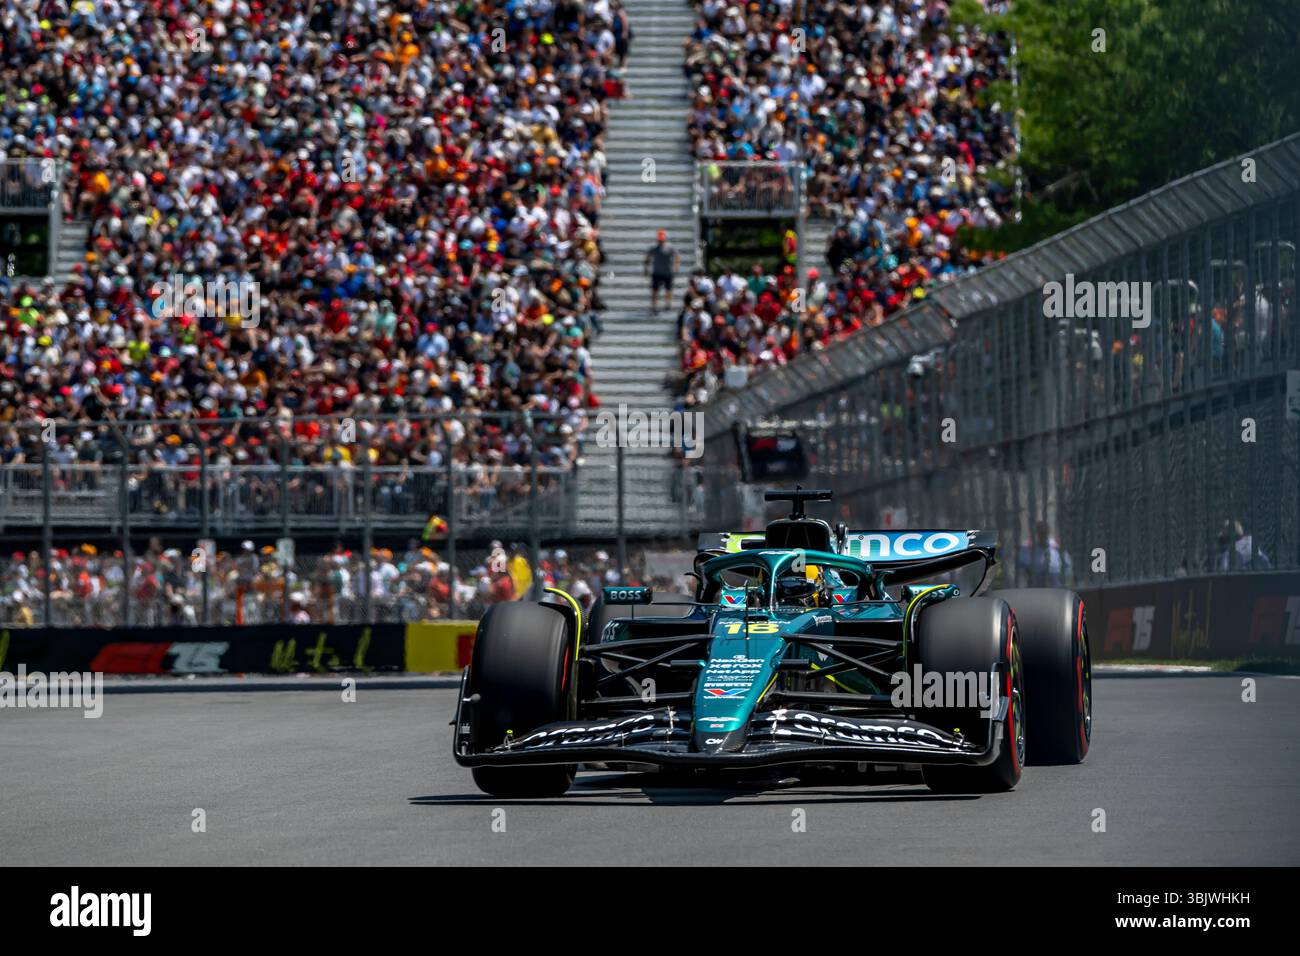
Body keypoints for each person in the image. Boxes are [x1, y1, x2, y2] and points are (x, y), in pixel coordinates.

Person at [644, 230, 680, 314]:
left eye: (662, 240)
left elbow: (677, 256)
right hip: (657, 273)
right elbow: (648, 257)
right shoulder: (654, 248)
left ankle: (668, 304)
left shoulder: (670, 247)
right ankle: (654, 306)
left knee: (668, 290)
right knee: (654, 290)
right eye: (659, 240)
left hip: (667, 273)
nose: (660, 241)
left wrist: (676, 266)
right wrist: (646, 268)